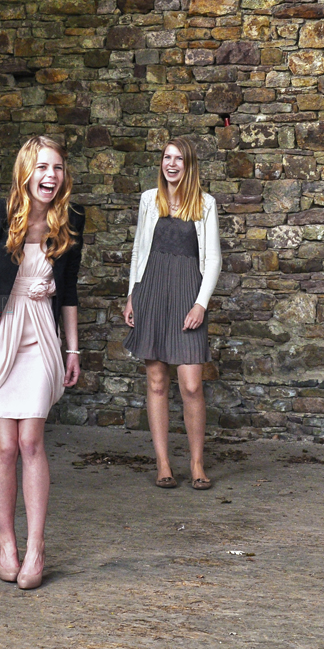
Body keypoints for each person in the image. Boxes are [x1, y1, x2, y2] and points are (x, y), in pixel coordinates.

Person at [0, 135, 84, 590]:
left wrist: (73, 349)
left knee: (31, 441)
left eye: (57, 168)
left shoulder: (71, 218)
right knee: (5, 448)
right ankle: (6, 542)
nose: (50, 175)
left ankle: (36, 546)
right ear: (25, 172)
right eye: (42, 167)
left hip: (40, 334)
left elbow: (68, 292)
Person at [123, 138, 221, 491]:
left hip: (187, 293)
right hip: (151, 290)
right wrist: (132, 295)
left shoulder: (205, 204)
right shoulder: (149, 199)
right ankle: (163, 463)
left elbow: (213, 259)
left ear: (189, 164)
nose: (172, 164)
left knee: (191, 385)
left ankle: (196, 463)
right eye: (167, 157)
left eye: (179, 158)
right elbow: (139, 250)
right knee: (156, 381)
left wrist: (201, 304)